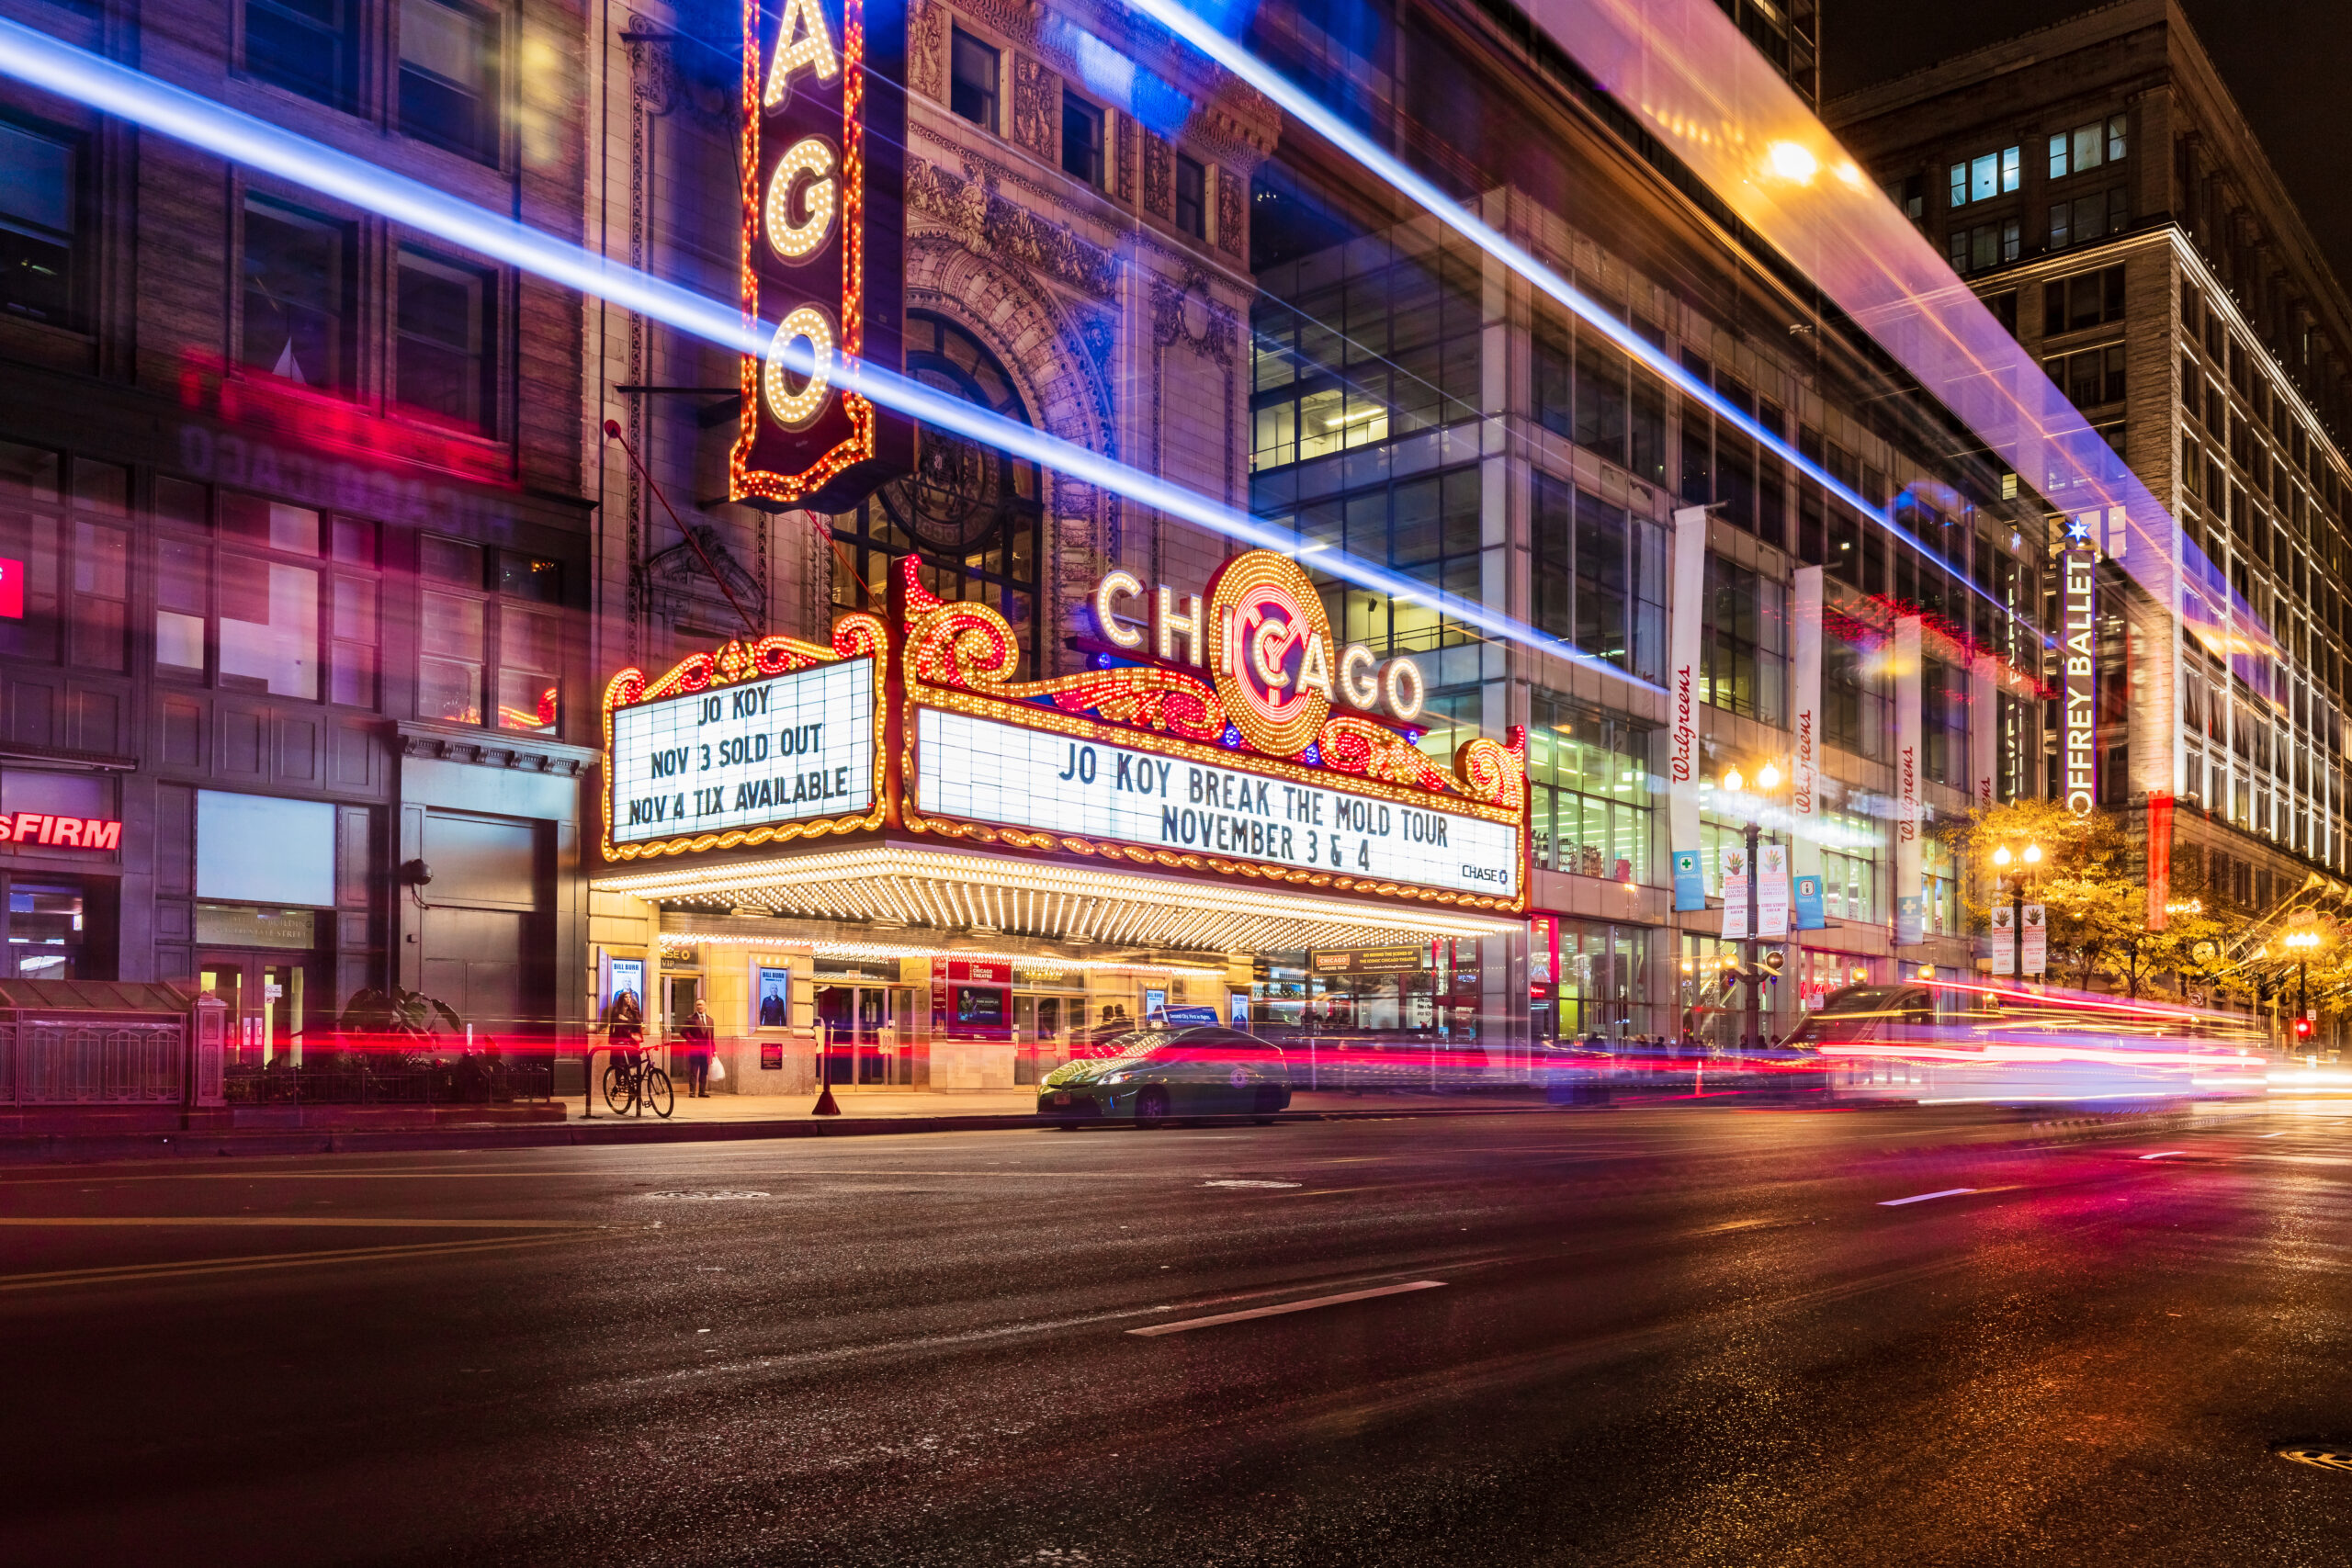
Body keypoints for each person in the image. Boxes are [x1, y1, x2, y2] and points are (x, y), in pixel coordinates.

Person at [678, 999, 717, 1099]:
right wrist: (693, 1040)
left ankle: (702, 1092)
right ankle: (692, 1092)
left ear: (705, 1006)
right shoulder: (691, 1018)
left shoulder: (710, 1020)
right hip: (695, 1050)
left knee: (704, 1071)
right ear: (696, 1006)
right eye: (698, 1005)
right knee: (693, 1071)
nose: (700, 1006)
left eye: (701, 1004)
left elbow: (712, 1036)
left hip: (706, 1050)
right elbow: (683, 1032)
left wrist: (714, 1050)